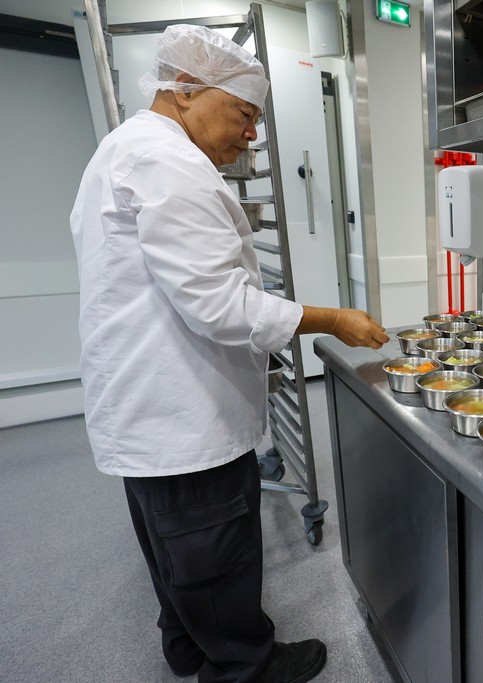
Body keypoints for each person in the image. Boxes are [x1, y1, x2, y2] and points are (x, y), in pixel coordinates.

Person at [69, 24, 388, 683]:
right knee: (215, 557)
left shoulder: (124, 149)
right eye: (244, 114)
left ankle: (187, 646)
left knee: (175, 553)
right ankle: (244, 666)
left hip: (145, 408)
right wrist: (332, 318)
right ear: (186, 90)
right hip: (183, 419)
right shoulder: (169, 164)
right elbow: (218, 305)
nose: (252, 135)